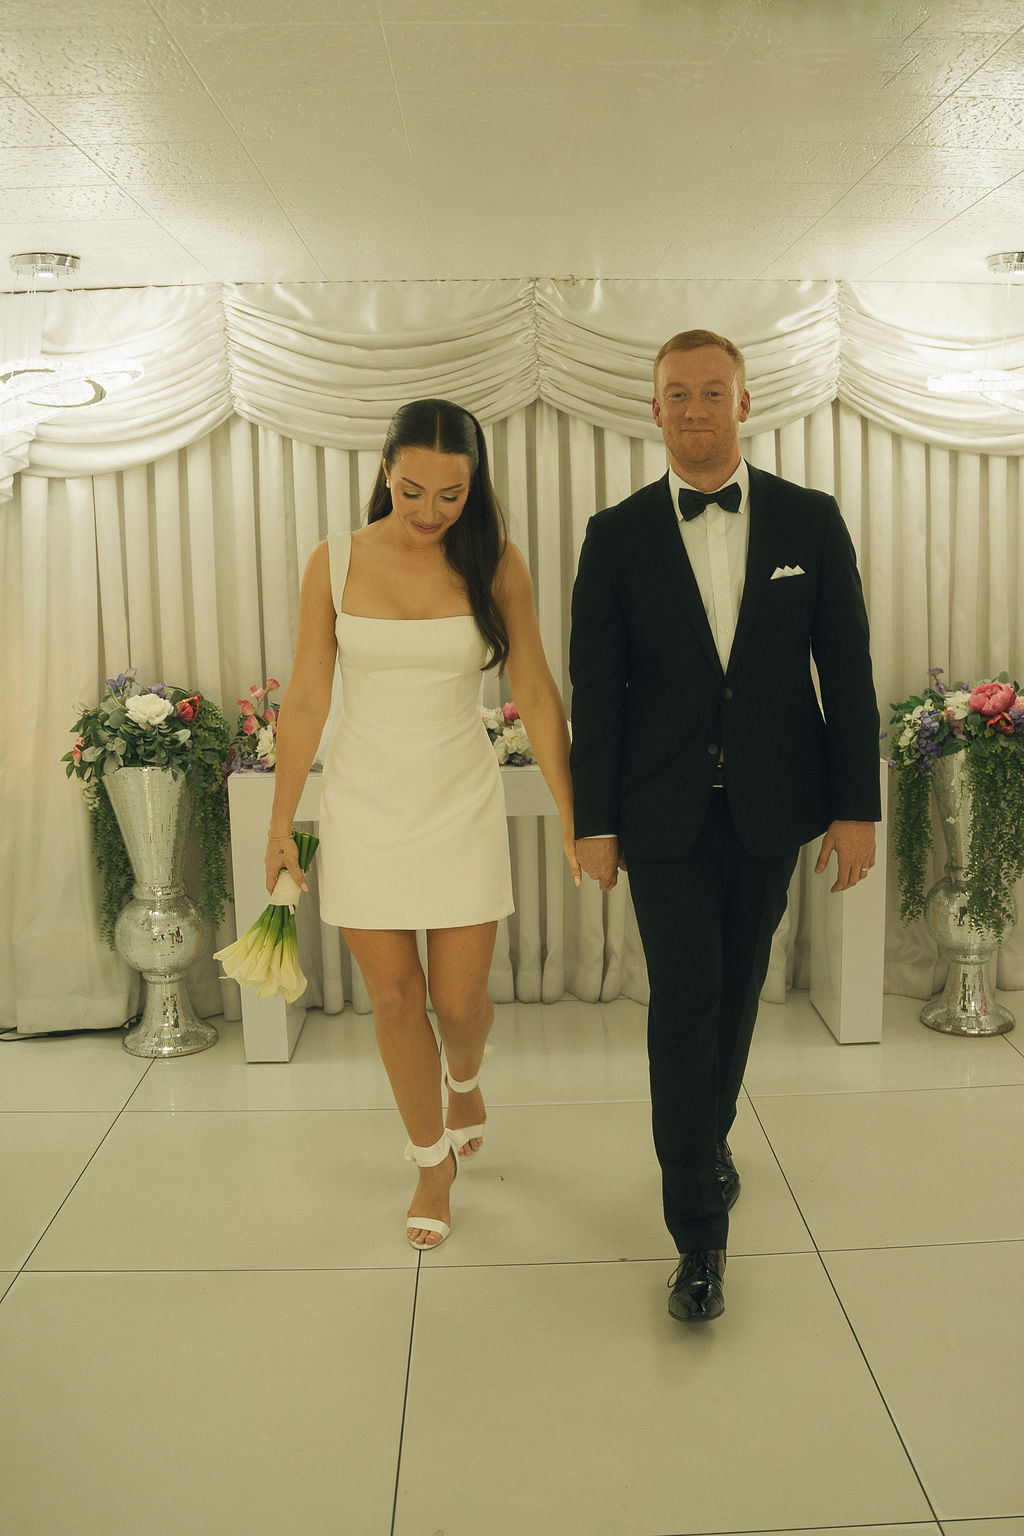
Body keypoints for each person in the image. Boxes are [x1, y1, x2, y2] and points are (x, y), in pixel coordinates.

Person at [569, 330, 880, 1322]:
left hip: (771, 806)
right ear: (654, 407)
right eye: (678, 393)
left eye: (713, 392)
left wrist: (856, 808)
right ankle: (698, 1235)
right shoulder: (614, 535)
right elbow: (597, 692)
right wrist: (592, 821)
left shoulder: (809, 520)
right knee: (685, 1001)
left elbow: (848, 670)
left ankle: (705, 1141)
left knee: (740, 989)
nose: (695, 408)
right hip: (661, 812)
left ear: (744, 403)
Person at [266, 398, 579, 1250]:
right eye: (412, 492)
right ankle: (430, 1162)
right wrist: (282, 821)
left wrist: (571, 810)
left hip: (458, 798)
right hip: (365, 802)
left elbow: (535, 688)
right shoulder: (333, 562)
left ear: (474, 486)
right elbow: (307, 695)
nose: (431, 511)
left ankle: (465, 1079)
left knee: (461, 1001)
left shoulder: (497, 562)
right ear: (384, 472)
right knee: (399, 1002)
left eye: (451, 494)